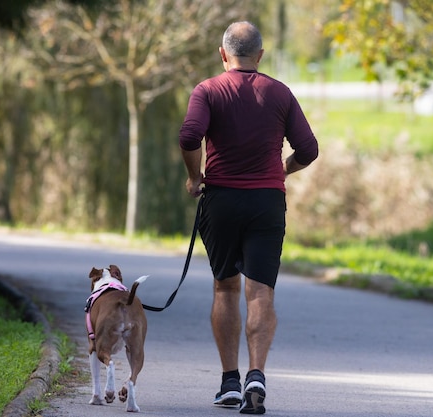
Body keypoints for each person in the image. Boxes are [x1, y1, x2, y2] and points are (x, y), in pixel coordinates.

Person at [178, 21, 319, 415]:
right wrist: (282, 170)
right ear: (259, 55)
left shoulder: (207, 90)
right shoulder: (280, 93)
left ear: (223, 54)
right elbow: (308, 148)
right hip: (266, 203)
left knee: (225, 288)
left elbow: (190, 135)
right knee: (261, 292)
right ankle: (256, 375)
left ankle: (229, 383)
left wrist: (194, 177)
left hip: (221, 200)